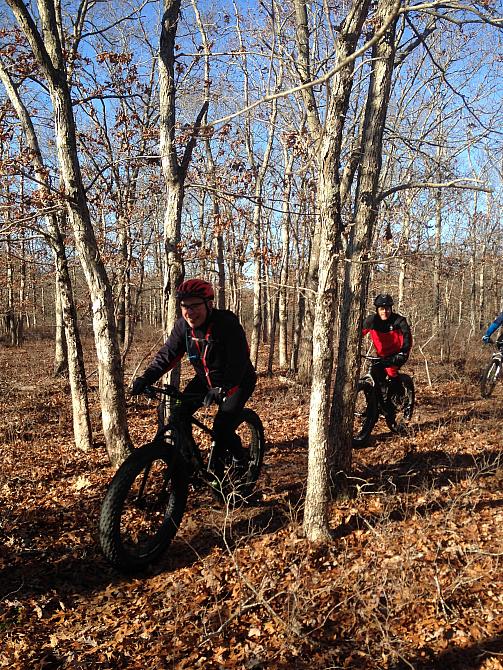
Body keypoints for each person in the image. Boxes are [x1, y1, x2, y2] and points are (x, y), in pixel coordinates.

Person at [131, 278, 257, 484]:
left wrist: (223, 388)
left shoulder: (227, 323)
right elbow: (167, 355)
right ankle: (190, 465)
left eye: (195, 306)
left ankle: (239, 459)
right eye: (184, 306)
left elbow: (239, 360)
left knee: (221, 427)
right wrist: (146, 378)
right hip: (205, 381)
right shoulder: (183, 327)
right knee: (178, 413)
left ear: (209, 304)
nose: (189, 312)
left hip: (238, 381)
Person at [362, 293, 413, 402]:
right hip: (382, 355)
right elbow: (358, 334)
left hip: (398, 354)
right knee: (377, 375)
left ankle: (400, 397)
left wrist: (403, 352)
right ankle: (375, 407)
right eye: (381, 309)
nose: (384, 311)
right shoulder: (371, 321)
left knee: (391, 372)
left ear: (391, 309)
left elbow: (407, 337)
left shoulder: (399, 321)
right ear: (377, 309)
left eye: (387, 309)